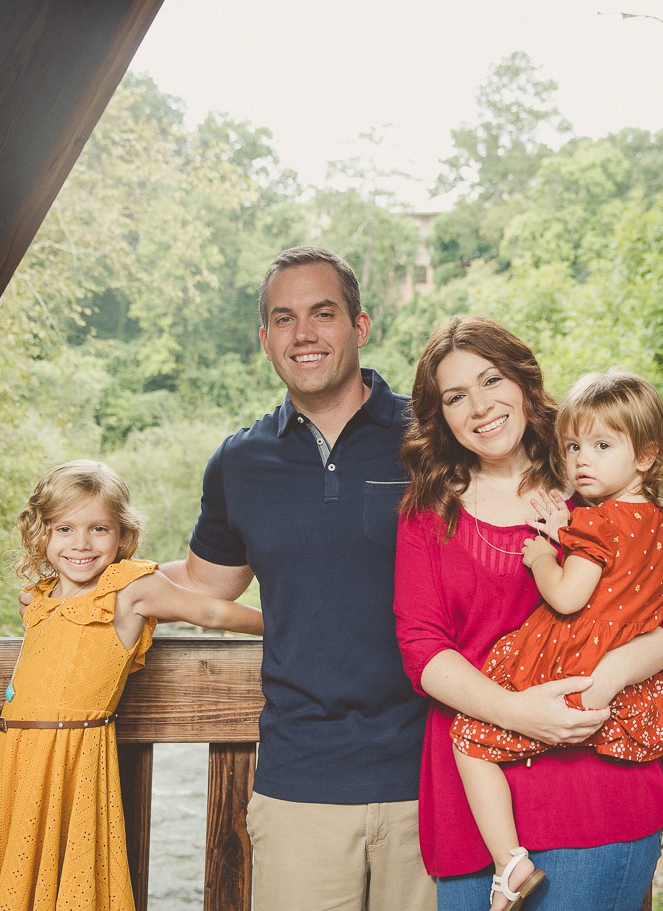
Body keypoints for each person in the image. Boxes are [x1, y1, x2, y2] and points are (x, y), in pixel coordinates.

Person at [157, 246, 438, 910]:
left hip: (432, 781)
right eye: (284, 318)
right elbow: (207, 582)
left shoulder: (431, 438)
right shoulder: (240, 460)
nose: (304, 334)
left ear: (360, 325)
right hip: (299, 786)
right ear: (265, 339)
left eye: (323, 313)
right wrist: (91, 583)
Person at [394, 316, 663, 911]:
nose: (480, 406)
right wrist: (517, 712)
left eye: (491, 380)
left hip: (596, 786)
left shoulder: (592, 477)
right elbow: (420, 647)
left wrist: (610, 673)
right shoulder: (428, 514)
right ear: (441, 416)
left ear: (524, 383)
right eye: (456, 396)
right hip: (476, 812)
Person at [0, 459, 264, 911]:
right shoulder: (36, 599)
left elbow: (212, 613)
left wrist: (286, 627)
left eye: (98, 528)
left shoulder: (129, 588)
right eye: (64, 529)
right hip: (11, 758)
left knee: (66, 890)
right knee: (9, 888)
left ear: (122, 536)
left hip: (71, 759)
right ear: (41, 534)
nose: (81, 543)